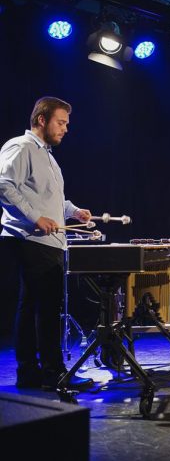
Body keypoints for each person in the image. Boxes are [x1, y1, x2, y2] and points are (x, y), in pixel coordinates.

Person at [0, 96, 94, 390]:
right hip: (31, 239)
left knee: (32, 306)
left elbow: (49, 199)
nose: (66, 128)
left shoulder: (48, 156)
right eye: (61, 122)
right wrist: (35, 218)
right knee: (47, 308)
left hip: (48, 241)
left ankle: (30, 373)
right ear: (42, 119)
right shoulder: (21, 146)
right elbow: (4, 185)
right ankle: (54, 373)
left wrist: (73, 211)